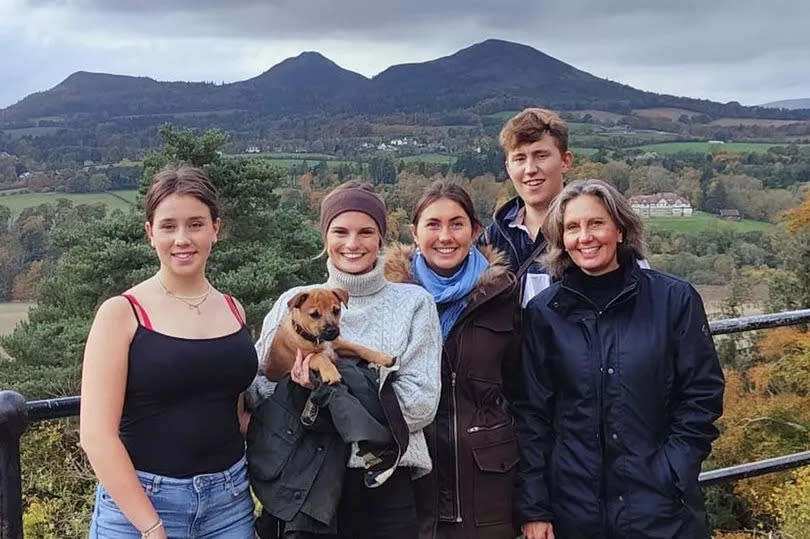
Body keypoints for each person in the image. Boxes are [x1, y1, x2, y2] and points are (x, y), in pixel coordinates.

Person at [513, 179, 725, 539]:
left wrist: (673, 470)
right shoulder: (545, 314)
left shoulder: (674, 301)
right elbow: (532, 414)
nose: (585, 237)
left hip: (661, 510)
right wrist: (536, 507)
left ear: (621, 229)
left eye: (596, 223)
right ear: (561, 239)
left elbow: (701, 395)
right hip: (574, 510)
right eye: (572, 228)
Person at [247, 180, 442, 539]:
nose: (352, 244)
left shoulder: (413, 304)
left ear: (381, 237)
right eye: (340, 231)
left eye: (366, 231)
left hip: (382, 483)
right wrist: (368, 390)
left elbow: (421, 404)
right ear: (325, 237)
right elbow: (260, 389)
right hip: (303, 478)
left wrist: (321, 402)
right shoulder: (293, 301)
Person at [80, 166, 258, 538]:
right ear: (150, 233)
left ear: (216, 229)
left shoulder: (233, 309)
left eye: (195, 224)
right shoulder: (122, 313)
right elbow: (97, 435)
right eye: (168, 226)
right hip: (140, 506)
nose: (182, 238)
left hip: (229, 502)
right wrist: (150, 526)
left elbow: (234, 408)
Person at [384, 180, 520, 539]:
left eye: (457, 224)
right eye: (433, 224)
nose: (445, 236)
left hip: (487, 487)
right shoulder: (389, 301)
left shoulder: (503, 295)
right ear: (414, 232)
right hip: (406, 484)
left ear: (475, 231)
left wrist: (535, 500)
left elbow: (530, 400)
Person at [482, 107, 574, 306]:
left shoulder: (588, 234)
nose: (530, 169)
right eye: (520, 158)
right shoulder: (491, 239)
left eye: (541, 156)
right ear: (508, 167)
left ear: (565, 162)